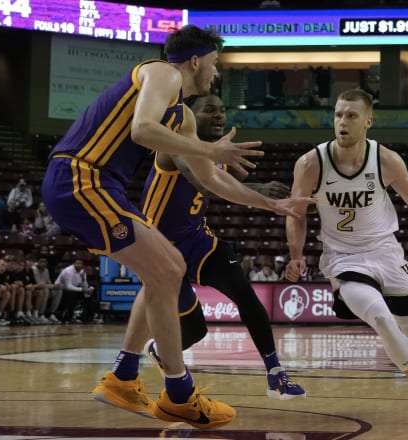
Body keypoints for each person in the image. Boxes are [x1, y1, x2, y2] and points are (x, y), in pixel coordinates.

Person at [41, 25, 309, 427]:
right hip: (80, 177)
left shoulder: (182, 116)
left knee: (163, 271)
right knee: (168, 269)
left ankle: (124, 377)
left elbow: (213, 180)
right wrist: (211, 148)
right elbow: (141, 129)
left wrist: (271, 203)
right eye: (215, 64)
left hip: (96, 183)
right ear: (196, 61)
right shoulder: (162, 72)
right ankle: (178, 393)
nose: (216, 74)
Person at [285, 89, 408, 425]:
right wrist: (295, 255)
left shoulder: (386, 160)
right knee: (381, 318)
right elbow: (296, 213)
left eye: (351, 116)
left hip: (385, 251)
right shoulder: (311, 163)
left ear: (368, 121)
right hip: (343, 258)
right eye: (338, 114)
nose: (342, 122)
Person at [139, 92, 305, 400]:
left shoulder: (215, 155)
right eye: (209, 110)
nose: (218, 115)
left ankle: (275, 375)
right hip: (159, 250)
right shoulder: (174, 142)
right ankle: (161, 351)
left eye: (222, 109)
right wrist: (265, 198)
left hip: (197, 240)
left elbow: (222, 182)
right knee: (195, 331)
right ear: (191, 116)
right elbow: (205, 183)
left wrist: (265, 191)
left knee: (245, 294)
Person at [54, 258, 95, 323]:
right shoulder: (68, 271)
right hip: (61, 289)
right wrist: (82, 289)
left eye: (80, 264)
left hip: (75, 289)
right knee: (72, 295)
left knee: (89, 295)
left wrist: (83, 279)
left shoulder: (82, 272)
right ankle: (69, 317)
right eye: (77, 263)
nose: (79, 265)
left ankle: (90, 317)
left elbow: (85, 287)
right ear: (74, 264)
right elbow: (68, 287)